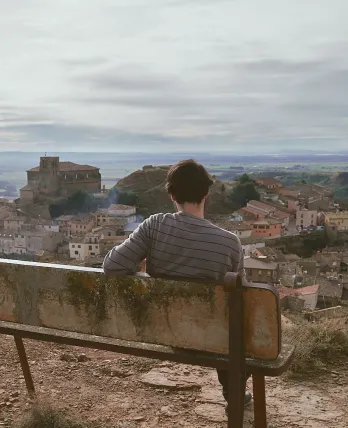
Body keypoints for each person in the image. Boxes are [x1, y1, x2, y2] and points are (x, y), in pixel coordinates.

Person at [102, 159, 251, 411]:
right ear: (206, 194)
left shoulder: (154, 226)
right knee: (233, 322)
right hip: (212, 337)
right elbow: (244, 298)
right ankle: (233, 392)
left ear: (172, 195)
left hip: (164, 330)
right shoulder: (229, 243)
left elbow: (112, 266)